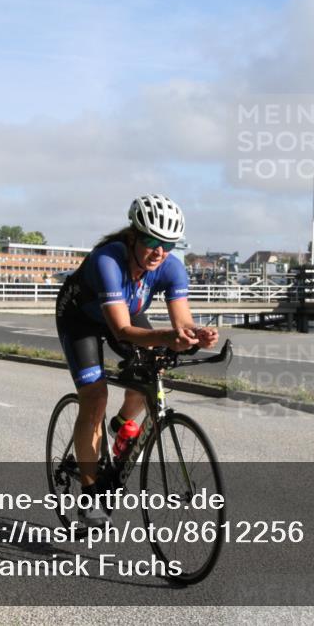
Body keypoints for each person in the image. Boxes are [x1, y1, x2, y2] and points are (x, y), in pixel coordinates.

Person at [55, 194, 218, 526]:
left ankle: (122, 425)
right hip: (80, 320)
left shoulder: (171, 267)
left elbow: (182, 323)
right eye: (150, 241)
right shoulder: (107, 261)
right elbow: (122, 330)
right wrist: (167, 337)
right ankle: (90, 493)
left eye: (169, 244)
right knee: (95, 397)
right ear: (132, 235)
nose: (159, 251)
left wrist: (195, 335)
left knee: (150, 374)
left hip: (127, 316)